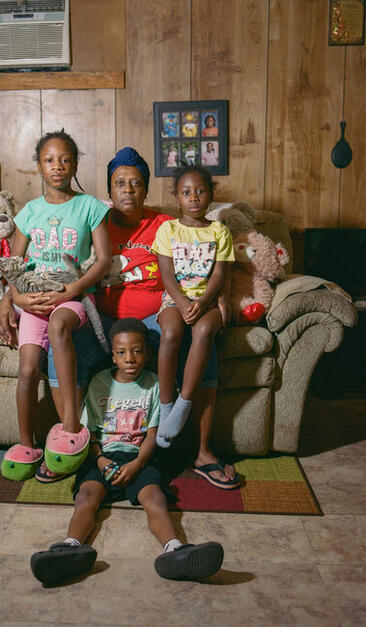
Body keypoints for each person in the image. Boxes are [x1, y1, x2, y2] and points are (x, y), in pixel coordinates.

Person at [55, 147, 239, 489]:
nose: (127, 190)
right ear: (109, 190)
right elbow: (57, 257)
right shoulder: (95, 221)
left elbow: (208, 264)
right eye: (119, 183)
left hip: (155, 317)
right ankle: (73, 446)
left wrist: (223, 296)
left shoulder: (166, 225)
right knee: (66, 340)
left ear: (147, 190)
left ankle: (201, 452)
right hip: (104, 319)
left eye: (136, 183)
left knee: (200, 337)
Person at [29, 318, 224, 586]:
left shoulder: (155, 384)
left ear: (148, 353)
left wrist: (138, 464)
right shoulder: (99, 383)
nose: (129, 359)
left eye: (137, 351)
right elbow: (89, 432)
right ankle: (69, 547)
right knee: (86, 497)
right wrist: (100, 460)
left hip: (138, 457)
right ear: (113, 356)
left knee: (155, 498)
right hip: (103, 456)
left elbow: (153, 433)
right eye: (121, 353)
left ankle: (175, 550)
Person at [0, 130, 112, 482]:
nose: (57, 166)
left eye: (64, 160)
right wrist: (16, 298)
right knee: (28, 369)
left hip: (72, 298)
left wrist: (70, 290)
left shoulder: (90, 207)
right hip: (32, 301)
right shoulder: (30, 212)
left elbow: (104, 260)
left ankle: (71, 427)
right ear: (39, 166)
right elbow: (14, 264)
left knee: (59, 326)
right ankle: (27, 444)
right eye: (49, 160)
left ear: (74, 165)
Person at [152, 165, 238, 491]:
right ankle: (167, 407)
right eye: (186, 192)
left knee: (203, 332)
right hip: (175, 299)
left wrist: (202, 302)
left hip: (208, 301)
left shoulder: (219, 231)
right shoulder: (168, 230)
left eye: (200, 191)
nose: (194, 198)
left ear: (211, 195)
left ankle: (183, 405)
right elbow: (167, 275)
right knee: (171, 333)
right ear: (177, 197)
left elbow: (219, 275)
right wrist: (182, 301)